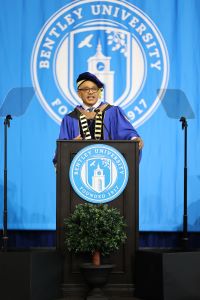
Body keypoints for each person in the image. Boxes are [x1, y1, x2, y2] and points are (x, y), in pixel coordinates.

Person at [53, 72, 143, 165]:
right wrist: (71, 145)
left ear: (99, 92)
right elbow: (61, 149)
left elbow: (126, 132)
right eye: (85, 89)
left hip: (109, 166)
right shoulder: (70, 119)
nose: (90, 92)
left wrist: (135, 139)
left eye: (94, 89)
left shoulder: (113, 112)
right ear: (79, 93)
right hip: (80, 170)